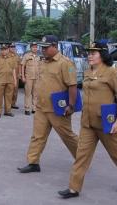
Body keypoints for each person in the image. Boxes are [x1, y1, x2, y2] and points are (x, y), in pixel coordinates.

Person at [58, 42, 117, 199]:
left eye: (93, 53)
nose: (89, 55)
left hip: (106, 123)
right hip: (88, 122)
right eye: (89, 52)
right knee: (81, 155)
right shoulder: (88, 71)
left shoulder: (111, 72)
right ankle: (74, 188)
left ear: (102, 55)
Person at [18, 35, 79, 173]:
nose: (43, 50)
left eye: (46, 48)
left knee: (67, 136)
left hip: (58, 108)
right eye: (42, 47)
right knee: (37, 136)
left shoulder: (65, 63)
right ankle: (33, 162)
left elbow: (72, 86)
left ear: (55, 46)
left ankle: (82, 159)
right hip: (41, 107)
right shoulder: (42, 61)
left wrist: (71, 105)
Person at [0, 44, 17, 118]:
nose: (3, 51)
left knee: (9, 96)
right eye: (2, 49)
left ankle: (8, 111)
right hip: (0, 80)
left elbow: (13, 70)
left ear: (8, 50)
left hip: (10, 80)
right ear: (0, 50)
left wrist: (15, 80)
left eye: (5, 49)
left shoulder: (12, 58)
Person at [21, 42, 40, 115]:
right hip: (28, 77)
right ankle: (27, 108)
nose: (35, 48)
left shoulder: (38, 57)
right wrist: (22, 76)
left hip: (36, 78)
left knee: (35, 94)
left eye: (36, 47)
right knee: (27, 93)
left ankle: (34, 108)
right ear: (30, 48)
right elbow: (22, 66)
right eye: (33, 47)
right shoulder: (26, 56)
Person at [9, 43, 21, 109]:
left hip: (16, 75)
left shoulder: (17, 56)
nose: (13, 48)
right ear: (9, 48)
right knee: (9, 90)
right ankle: (8, 103)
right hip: (9, 75)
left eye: (13, 47)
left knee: (15, 90)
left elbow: (19, 65)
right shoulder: (7, 55)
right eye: (11, 47)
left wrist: (19, 73)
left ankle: (13, 103)